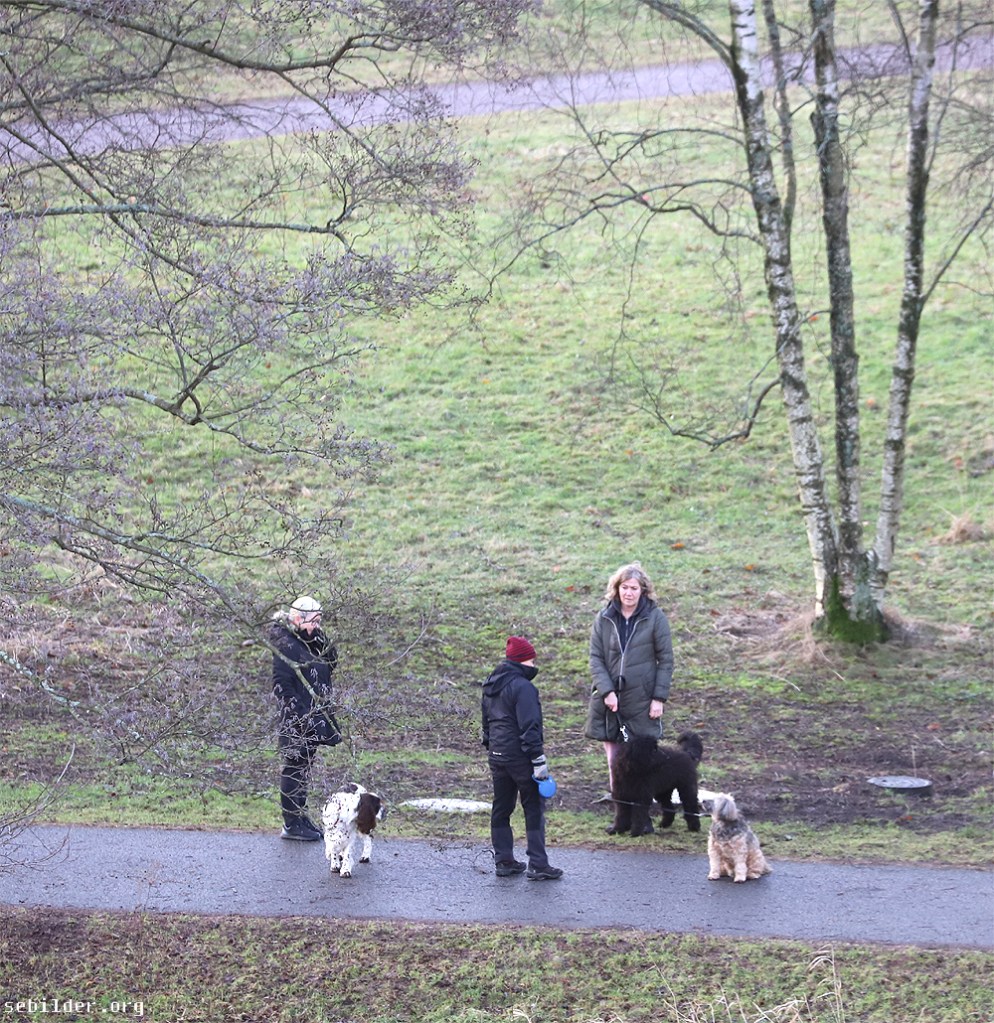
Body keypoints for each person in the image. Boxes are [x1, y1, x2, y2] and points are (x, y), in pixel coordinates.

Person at [583, 562, 674, 794]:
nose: (629, 593)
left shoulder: (656, 618)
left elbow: (666, 660)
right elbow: (595, 658)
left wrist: (658, 698)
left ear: (643, 590)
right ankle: (620, 803)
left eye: (634, 588)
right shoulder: (604, 617)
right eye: (624, 587)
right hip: (610, 700)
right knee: (614, 758)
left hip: (642, 700)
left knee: (642, 758)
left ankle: (641, 804)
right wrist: (607, 692)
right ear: (617, 589)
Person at [480, 636, 563, 881]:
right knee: (533, 806)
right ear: (521, 660)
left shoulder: (491, 684)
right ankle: (538, 864)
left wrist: (492, 748)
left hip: (497, 755)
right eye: (531, 659)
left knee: (502, 807)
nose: (534, 663)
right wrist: (538, 760)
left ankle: (504, 860)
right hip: (520, 757)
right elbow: (530, 726)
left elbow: (487, 724)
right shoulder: (523, 687)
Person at [271, 595, 341, 841]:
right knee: (294, 768)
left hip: (312, 715)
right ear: (298, 619)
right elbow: (281, 684)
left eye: (320, 621)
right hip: (296, 719)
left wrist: (322, 639)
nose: (317, 626)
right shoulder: (285, 643)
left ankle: (300, 818)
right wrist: (300, 716)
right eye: (315, 621)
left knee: (304, 768)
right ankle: (291, 824)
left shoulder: (307, 642)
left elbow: (331, 662)